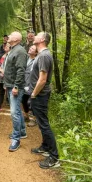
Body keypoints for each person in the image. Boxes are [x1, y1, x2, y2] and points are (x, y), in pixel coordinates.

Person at [29, 32, 60, 169]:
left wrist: (34, 94)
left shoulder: (44, 56)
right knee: (42, 123)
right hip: (39, 95)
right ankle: (46, 147)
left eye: (37, 35)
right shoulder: (41, 55)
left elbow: (42, 79)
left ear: (42, 40)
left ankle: (54, 157)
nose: (34, 36)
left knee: (44, 124)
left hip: (40, 96)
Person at [3, 31, 27, 152]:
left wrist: (16, 86)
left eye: (11, 35)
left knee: (14, 112)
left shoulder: (20, 51)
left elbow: (21, 70)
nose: (9, 36)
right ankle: (22, 131)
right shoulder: (13, 49)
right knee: (17, 110)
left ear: (17, 39)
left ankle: (16, 139)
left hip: (15, 86)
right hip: (10, 84)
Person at [22, 45, 37, 127]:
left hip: (32, 84)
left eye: (32, 49)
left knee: (31, 102)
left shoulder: (36, 60)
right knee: (23, 100)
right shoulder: (26, 59)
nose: (30, 49)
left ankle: (34, 119)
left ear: (36, 52)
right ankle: (26, 116)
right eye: (30, 48)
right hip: (24, 83)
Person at [0, 43, 11, 113]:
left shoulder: (11, 55)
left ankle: (12, 106)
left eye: (7, 46)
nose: (5, 47)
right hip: (1, 76)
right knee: (1, 91)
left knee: (9, 91)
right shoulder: (1, 55)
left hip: (9, 76)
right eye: (5, 45)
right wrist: (1, 70)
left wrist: (6, 72)